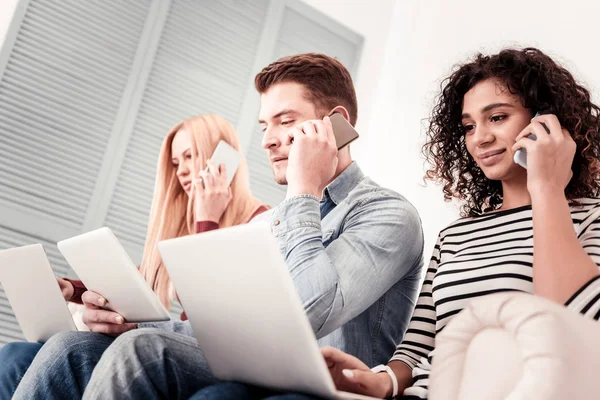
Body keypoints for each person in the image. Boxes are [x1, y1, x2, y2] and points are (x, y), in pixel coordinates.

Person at [13, 53, 425, 400]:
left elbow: (305, 314)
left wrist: (304, 189)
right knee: (71, 348)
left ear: (334, 123)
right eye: (265, 126)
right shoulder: (272, 221)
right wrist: (135, 320)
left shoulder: (387, 215)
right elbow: (214, 323)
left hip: (323, 386)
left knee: (144, 351)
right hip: (248, 362)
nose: (266, 140)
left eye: (285, 121)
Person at [223, 47, 600, 400]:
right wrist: (380, 381)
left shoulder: (590, 217)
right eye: (468, 126)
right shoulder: (457, 235)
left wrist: (548, 187)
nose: (480, 138)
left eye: (497, 117)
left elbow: (569, 322)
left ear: (546, 121)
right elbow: (420, 344)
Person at [0, 114, 267, 400]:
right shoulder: (186, 228)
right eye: (177, 164)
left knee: (70, 351)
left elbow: (215, 311)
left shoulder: (261, 222)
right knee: (15, 355)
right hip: (178, 343)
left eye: (190, 156)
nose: (182, 172)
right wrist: (72, 290)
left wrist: (207, 220)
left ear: (223, 160)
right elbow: (139, 284)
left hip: (213, 354)